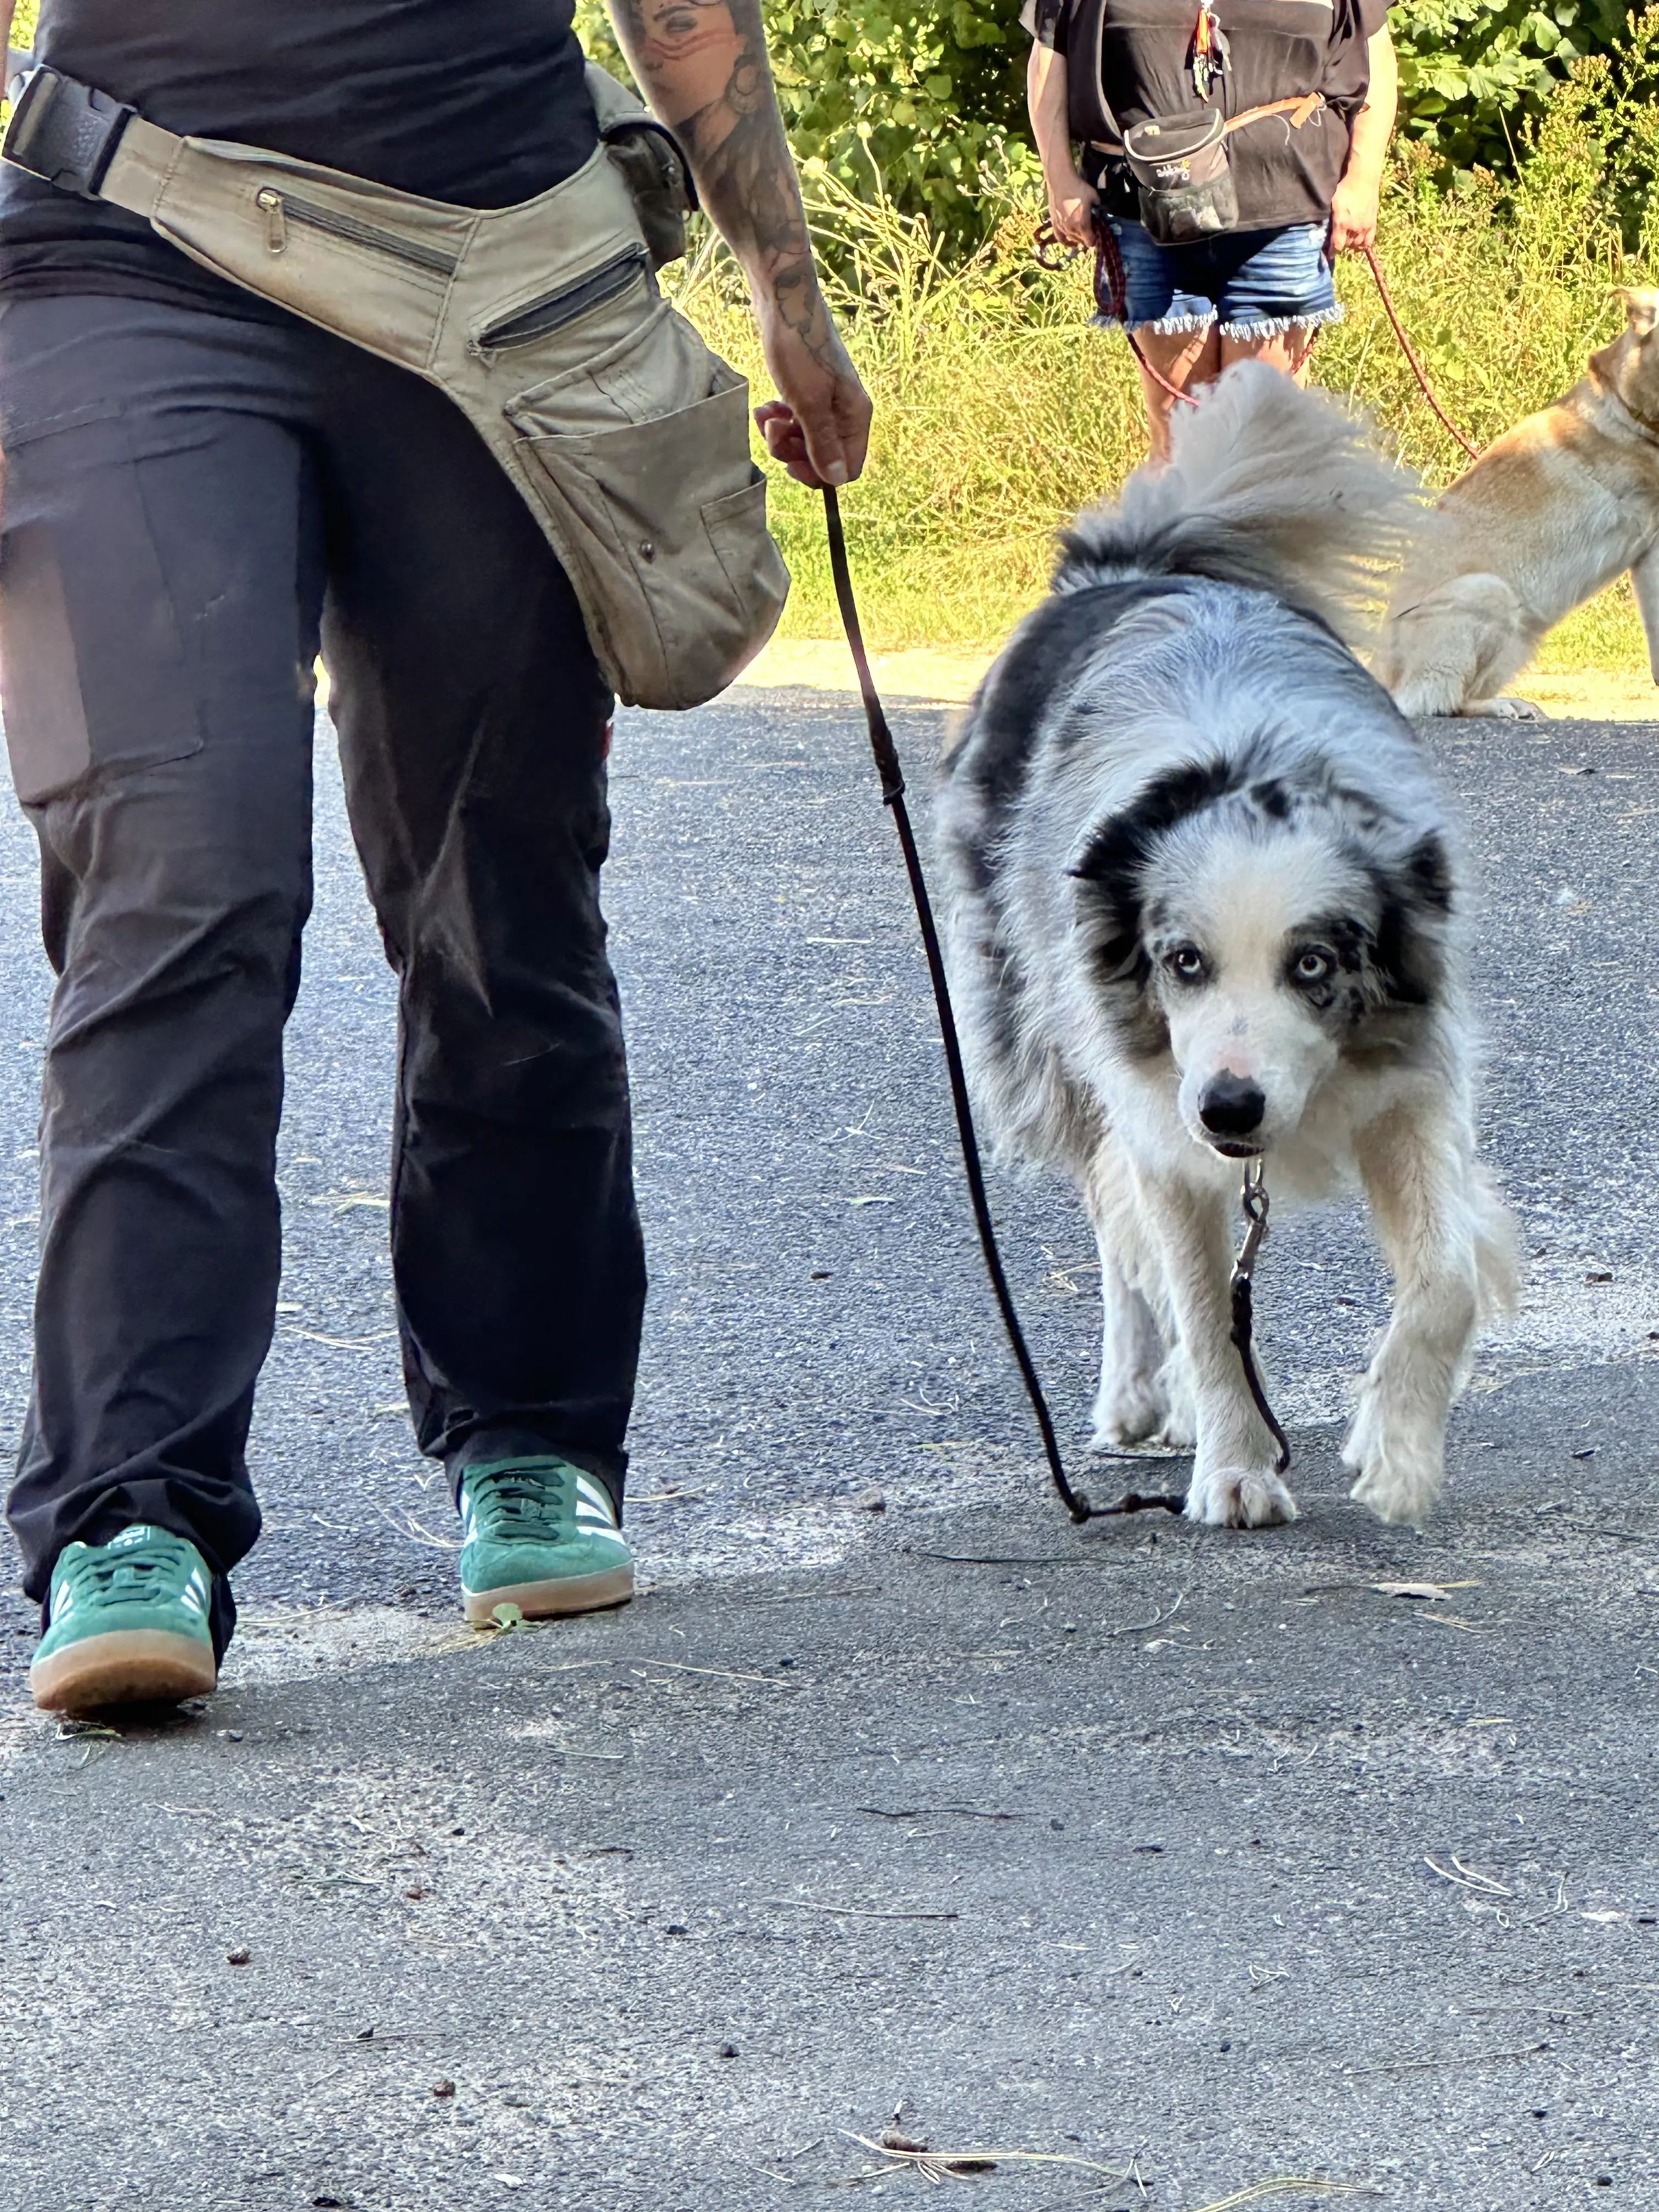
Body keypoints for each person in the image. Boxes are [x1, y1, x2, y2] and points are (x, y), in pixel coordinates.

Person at [0, 0, 871, 1714]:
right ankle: (130, 1508)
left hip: (501, 284)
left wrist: (789, 284)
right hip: (134, 254)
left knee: (502, 876)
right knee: (183, 865)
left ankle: (534, 1432)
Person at [1026, 0, 1397, 459]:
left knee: (1266, 439)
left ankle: (1269, 530)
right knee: (1182, 440)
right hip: (1145, 213)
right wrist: (1059, 177)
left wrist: (1362, 181)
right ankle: (1183, 530)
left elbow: (1375, 53)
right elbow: (1050, 53)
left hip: (1282, 213)